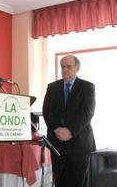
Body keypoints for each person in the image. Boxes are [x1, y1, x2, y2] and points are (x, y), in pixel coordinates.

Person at [42, 55, 96, 187]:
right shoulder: (52, 87)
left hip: (80, 144)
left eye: (69, 67)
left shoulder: (87, 87)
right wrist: (57, 129)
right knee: (61, 182)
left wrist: (70, 131)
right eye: (62, 66)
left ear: (77, 68)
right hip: (57, 143)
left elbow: (87, 113)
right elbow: (47, 111)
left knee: (80, 182)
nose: (65, 70)